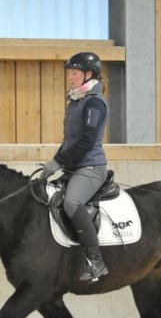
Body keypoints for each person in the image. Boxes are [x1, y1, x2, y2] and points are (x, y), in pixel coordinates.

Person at [39, 51, 110, 283]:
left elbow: (86, 141)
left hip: (91, 167)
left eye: (74, 72)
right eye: (69, 72)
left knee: (72, 202)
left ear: (89, 75)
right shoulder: (75, 102)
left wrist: (59, 162)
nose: (70, 77)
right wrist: (54, 161)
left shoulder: (95, 103)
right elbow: (69, 140)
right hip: (73, 167)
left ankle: (96, 261)